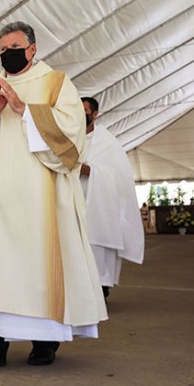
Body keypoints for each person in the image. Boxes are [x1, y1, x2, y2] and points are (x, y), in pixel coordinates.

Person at [0, 21, 107, 367]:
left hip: (42, 200)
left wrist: (26, 111)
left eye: (15, 47)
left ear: (32, 49)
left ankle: (44, 343)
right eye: (3, 49)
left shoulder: (56, 84)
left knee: (40, 268)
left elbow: (71, 137)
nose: (9, 54)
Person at [79, 97, 144, 299]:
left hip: (100, 203)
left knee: (97, 246)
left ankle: (101, 289)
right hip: (75, 201)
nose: (80, 115)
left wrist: (86, 169)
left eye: (84, 110)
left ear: (95, 114)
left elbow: (116, 175)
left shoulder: (106, 141)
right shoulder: (71, 137)